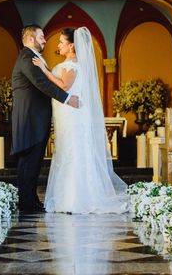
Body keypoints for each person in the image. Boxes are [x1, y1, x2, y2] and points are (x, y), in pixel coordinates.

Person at [32, 27, 128, 214]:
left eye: (61, 42)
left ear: (71, 46)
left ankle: (76, 199)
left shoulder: (71, 66)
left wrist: (44, 70)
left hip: (73, 116)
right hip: (67, 114)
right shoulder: (70, 64)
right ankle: (68, 197)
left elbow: (64, 86)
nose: (58, 45)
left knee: (73, 152)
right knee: (68, 152)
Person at [11, 25, 80, 213]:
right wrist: (67, 99)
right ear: (31, 39)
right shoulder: (27, 56)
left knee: (34, 161)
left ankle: (31, 200)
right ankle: (26, 203)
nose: (45, 40)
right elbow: (41, 83)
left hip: (36, 117)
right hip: (30, 117)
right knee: (28, 160)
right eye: (41, 37)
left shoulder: (32, 57)